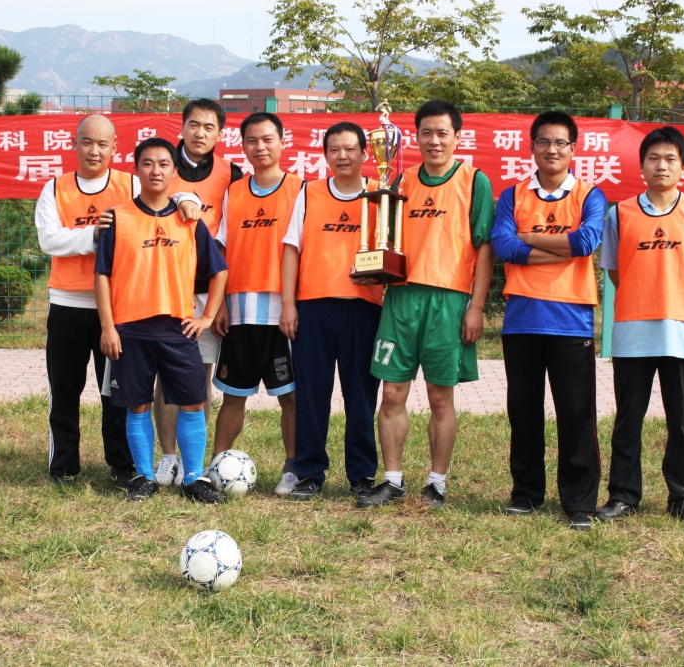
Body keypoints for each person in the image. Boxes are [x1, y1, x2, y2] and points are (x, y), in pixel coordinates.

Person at [35, 114, 199, 489]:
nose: (94, 151)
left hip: (118, 309)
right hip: (68, 305)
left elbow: (169, 193)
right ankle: (63, 466)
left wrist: (188, 198)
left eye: (102, 144)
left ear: (115, 148)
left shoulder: (129, 183)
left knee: (117, 393)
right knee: (65, 389)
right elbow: (49, 239)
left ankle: (122, 466)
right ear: (74, 144)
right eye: (87, 142)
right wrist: (93, 235)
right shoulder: (55, 188)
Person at [356, 99, 495, 510]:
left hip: (449, 301)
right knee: (392, 394)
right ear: (415, 137)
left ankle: (437, 483)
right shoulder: (401, 179)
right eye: (426, 133)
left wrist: (476, 306)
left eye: (442, 133)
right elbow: (386, 239)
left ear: (457, 137)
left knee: (439, 397)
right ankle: (392, 480)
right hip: (402, 298)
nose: (434, 140)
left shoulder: (474, 181)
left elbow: (484, 248)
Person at [596, 126, 684, 526]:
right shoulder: (620, 214)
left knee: (682, 420)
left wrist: (679, 296)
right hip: (633, 332)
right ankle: (623, 496)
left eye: (671, 159)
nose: (661, 165)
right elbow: (616, 271)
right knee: (628, 419)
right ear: (641, 166)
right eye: (653, 158)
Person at [94, 137, 228, 504]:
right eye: (148, 163)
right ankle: (144, 477)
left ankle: (193, 478)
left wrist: (207, 316)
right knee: (137, 405)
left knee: (193, 403)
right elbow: (102, 274)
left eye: (164, 164)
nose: (156, 170)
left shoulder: (189, 220)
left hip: (178, 328)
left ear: (173, 171)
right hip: (130, 329)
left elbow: (219, 270)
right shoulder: (118, 218)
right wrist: (108, 327)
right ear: (136, 169)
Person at [490, 110, 606, 530]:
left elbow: (586, 241)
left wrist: (529, 238)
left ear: (573, 149)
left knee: (576, 414)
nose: (551, 149)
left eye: (560, 142)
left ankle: (579, 502)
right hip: (523, 318)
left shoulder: (591, 195)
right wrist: (558, 247)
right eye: (544, 141)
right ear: (532, 147)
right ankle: (526, 494)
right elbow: (503, 246)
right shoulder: (512, 196)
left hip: (571, 319)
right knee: (523, 412)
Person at [279, 121, 384, 501]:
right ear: (325, 155)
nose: (342, 156)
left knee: (361, 396)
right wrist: (288, 304)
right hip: (313, 307)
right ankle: (309, 472)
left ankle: (361, 474)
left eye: (350, 149)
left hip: (364, 307)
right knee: (311, 393)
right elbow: (292, 249)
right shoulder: (309, 193)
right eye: (334, 149)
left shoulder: (380, 193)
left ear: (365, 154)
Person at [152, 99, 245, 487]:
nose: (200, 133)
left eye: (209, 127)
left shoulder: (231, 174)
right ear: (182, 127)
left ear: (220, 133)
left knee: (198, 376)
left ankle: (193, 460)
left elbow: (232, 239)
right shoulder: (161, 165)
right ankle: (167, 458)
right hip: (163, 288)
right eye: (194, 124)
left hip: (208, 290)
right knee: (163, 375)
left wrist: (220, 302)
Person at [211, 112, 306, 495]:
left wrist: (291, 304)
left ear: (283, 142)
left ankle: (293, 468)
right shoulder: (234, 191)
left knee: (291, 397)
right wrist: (219, 304)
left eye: (268, 139)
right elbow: (221, 251)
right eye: (252, 140)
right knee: (233, 396)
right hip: (238, 313)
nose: (260, 147)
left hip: (281, 314)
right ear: (243, 146)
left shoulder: (300, 189)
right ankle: (215, 467)